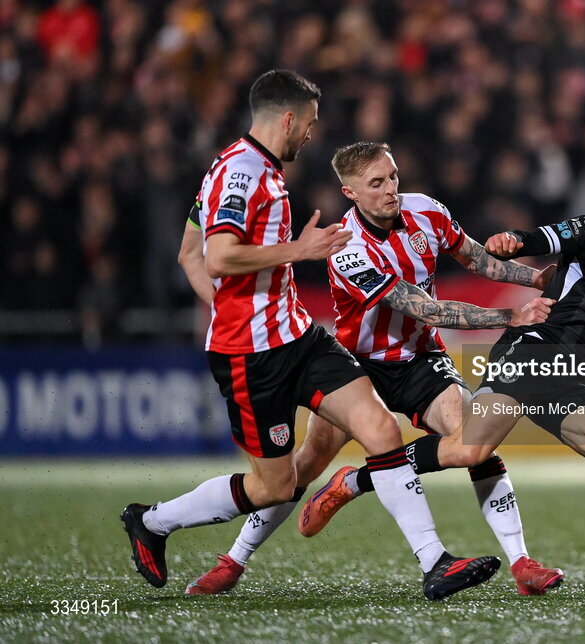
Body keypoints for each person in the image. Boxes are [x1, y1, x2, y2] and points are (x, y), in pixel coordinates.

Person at [121, 70, 502, 602]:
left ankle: (435, 562)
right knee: (274, 486)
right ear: (288, 118)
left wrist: (241, 304)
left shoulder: (244, 168)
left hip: (300, 336)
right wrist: (291, 260)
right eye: (310, 124)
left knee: (378, 429)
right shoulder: (242, 173)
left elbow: (189, 254)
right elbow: (218, 256)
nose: (311, 134)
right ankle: (153, 521)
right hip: (250, 356)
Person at [302, 155, 585, 597]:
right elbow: (550, 235)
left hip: (571, 378)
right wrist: (515, 238)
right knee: (471, 450)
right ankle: (361, 483)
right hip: (530, 352)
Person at [185, 142, 565, 596]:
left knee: (476, 441)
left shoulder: (425, 210)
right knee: (301, 469)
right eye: (377, 184)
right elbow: (428, 310)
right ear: (350, 192)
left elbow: (476, 258)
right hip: (354, 367)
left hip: (421, 359)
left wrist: (532, 278)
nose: (391, 191)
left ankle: (521, 561)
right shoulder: (346, 248)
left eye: (393, 177)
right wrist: (509, 316)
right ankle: (234, 561)